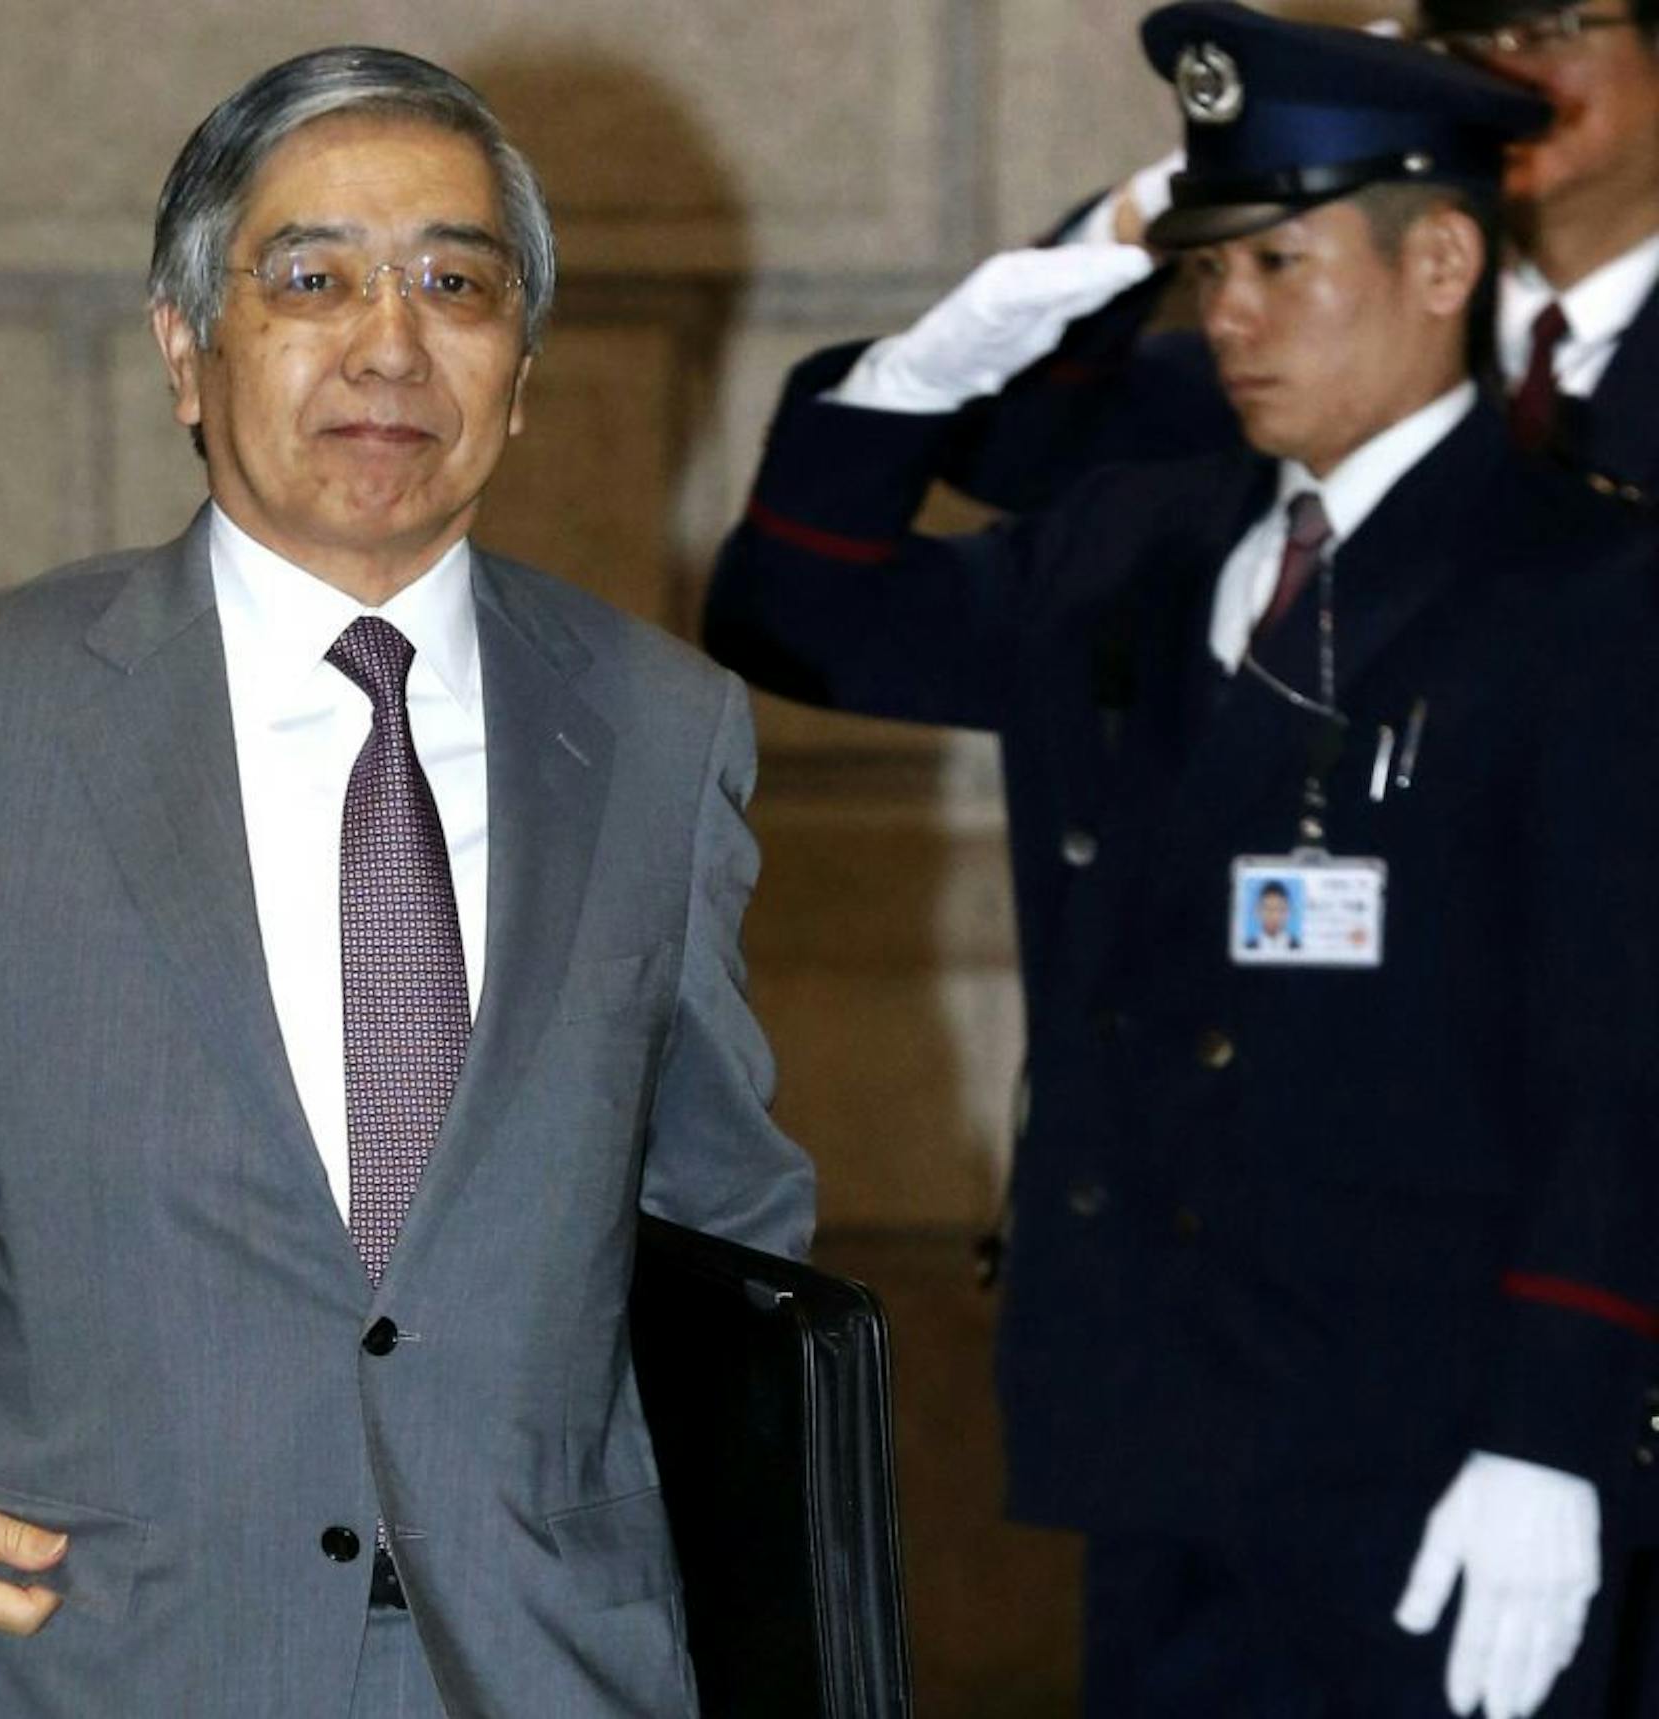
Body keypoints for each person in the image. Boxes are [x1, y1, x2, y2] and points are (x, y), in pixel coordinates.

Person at [0, 45, 814, 1719]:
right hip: (81, 1658)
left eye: (454, 284)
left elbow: (725, 1231)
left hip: (548, 1663)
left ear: (522, 372)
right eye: (314, 279)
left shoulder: (659, 730)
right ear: (187, 350)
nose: (389, 343)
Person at [709, 5, 1659, 1714]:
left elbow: (1619, 1059)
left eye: (1280, 264)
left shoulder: (1583, 582)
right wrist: (947, 354)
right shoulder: (1138, 535)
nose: (1226, 313)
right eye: (1209, 268)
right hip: (1154, 1420)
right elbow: (798, 612)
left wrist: (1554, 1432)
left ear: (1442, 260)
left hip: (1436, 1440)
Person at [839, 0, 1659, 520]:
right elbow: (1005, 448)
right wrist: (1140, 217)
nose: (1496, 66)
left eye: (1546, 28)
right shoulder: (1296, 357)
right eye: (1457, 33)